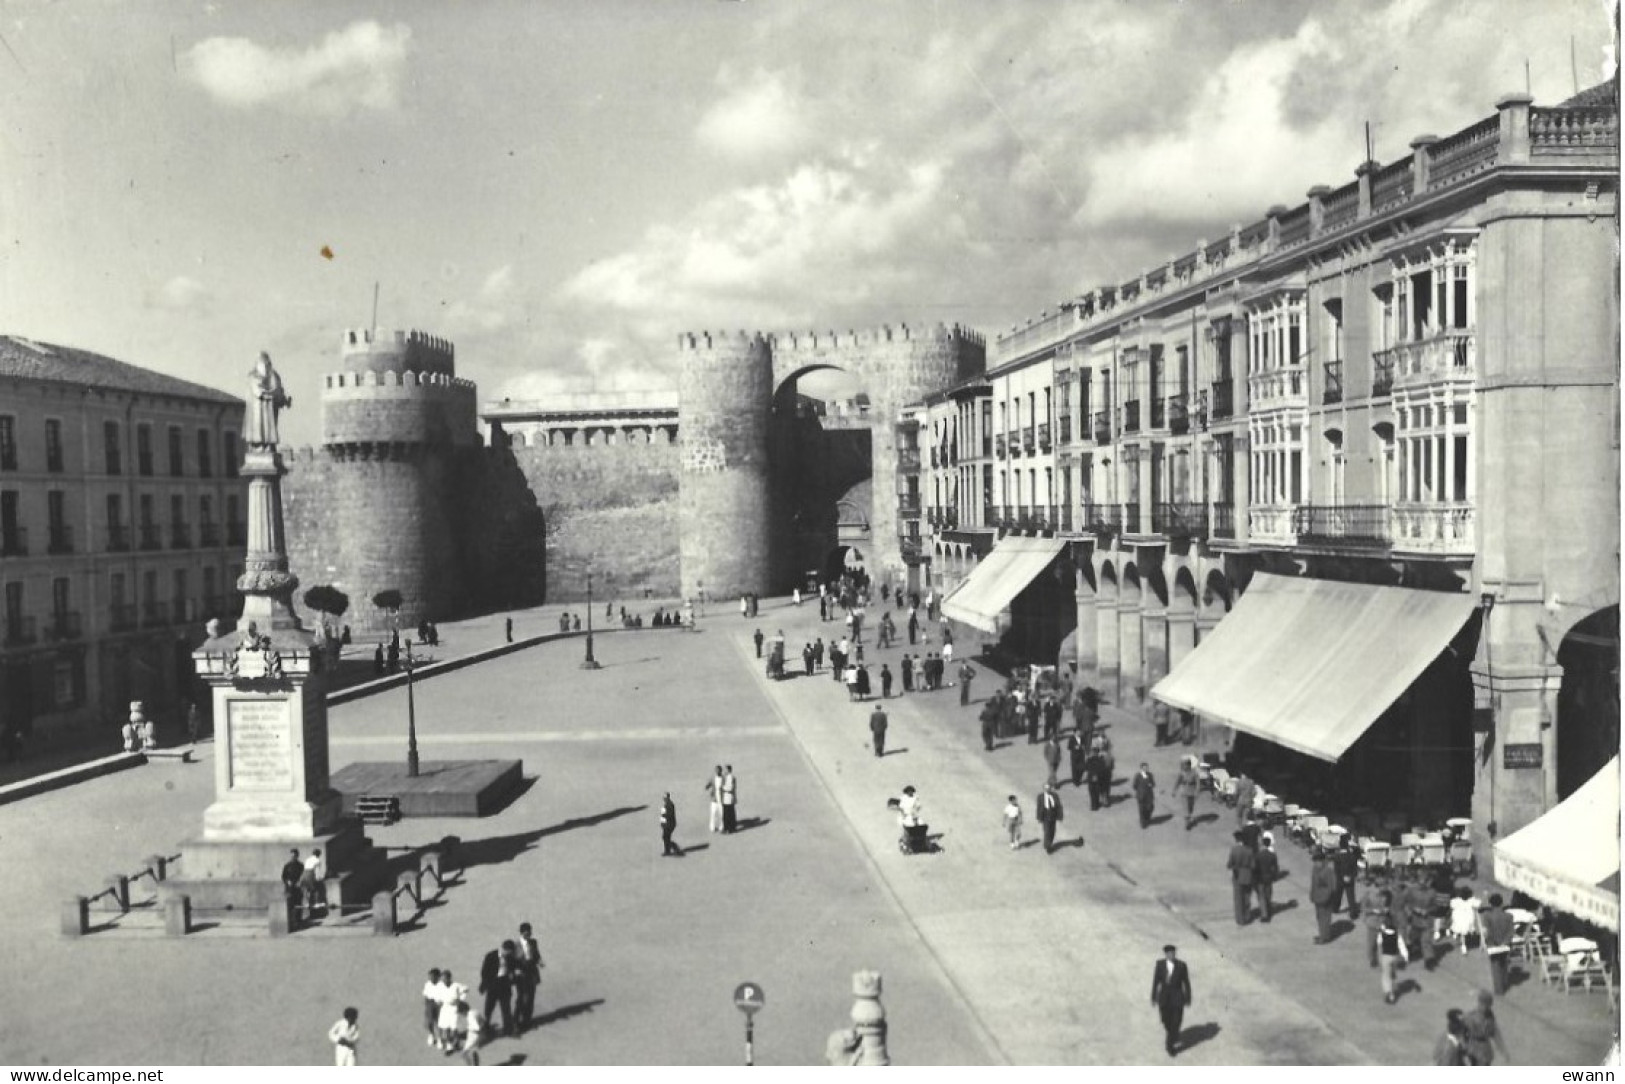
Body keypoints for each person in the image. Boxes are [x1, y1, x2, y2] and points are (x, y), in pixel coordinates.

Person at [1149, 945, 1192, 1057]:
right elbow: (1156, 981)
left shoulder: (1182, 965)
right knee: (1166, 1021)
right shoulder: (1160, 965)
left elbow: (1186, 983)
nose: (1171, 955)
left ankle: (1169, 1045)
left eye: (1173, 953)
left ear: (1175, 954)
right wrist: (1153, 997)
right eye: (1169, 953)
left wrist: (1188, 998)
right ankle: (1173, 1034)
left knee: (1176, 1021)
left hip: (1177, 998)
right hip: (1164, 998)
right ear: (1165, 954)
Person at [1479, 893, 1515, 995]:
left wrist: (1488, 942)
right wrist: (1505, 942)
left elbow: (1487, 932)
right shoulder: (1509, 916)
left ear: (1490, 904)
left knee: (1495, 966)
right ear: (1502, 903)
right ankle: (1504, 982)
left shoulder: (1487, 916)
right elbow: (1511, 931)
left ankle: (1499, 990)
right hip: (1505, 944)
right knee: (1504, 963)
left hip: (1493, 944)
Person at [1463, 989, 1510, 1065]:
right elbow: (1461, 1032)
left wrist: (1503, 1051)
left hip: (1485, 1051)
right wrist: (1464, 1046)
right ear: (1479, 1003)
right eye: (1483, 1005)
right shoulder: (1470, 1016)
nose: (1485, 1008)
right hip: (1473, 1049)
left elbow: (1495, 1034)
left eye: (1488, 1006)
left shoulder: (1490, 1016)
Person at [479, 940, 516, 1036]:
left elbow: (513, 966)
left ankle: (508, 1030)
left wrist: (515, 973)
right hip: (493, 985)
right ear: (505, 949)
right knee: (489, 1009)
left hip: (505, 984)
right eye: (509, 952)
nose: (510, 954)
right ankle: (486, 1029)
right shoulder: (491, 956)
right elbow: (484, 972)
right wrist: (487, 984)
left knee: (506, 1009)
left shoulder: (510, 957)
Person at [1377, 907, 1410, 1003]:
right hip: (1394, 956)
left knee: (1385, 975)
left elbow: (1379, 944)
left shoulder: (1382, 934)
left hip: (1385, 957)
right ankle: (1392, 988)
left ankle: (1388, 992)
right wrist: (1405, 956)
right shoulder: (1397, 935)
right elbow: (1402, 946)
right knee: (1392, 974)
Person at [515, 923, 543, 1030]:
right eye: (527, 933)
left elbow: (536, 955)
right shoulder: (515, 945)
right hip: (521, 974)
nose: (529, 935)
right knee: (522, 998)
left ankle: (527, 1021)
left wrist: (540, 961)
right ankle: (517, 1022)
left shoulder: (533, 942)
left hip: (532, 973)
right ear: (522, 933)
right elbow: (513, 961)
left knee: (531, 997)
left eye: (530, 932)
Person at [1227, 831, 1257, 925]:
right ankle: (1247, 916)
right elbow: (1253, 865)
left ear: (1236, 839)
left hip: (1237, 876)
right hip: (1247, 875)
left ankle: (1240, 919)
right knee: (1247, 897)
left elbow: (1229, 864)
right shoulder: (1249, 850)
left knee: (1238, 898)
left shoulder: (1234, 850)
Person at [1310, 849, 1339, 944]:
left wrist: (1329, 897)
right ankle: (1322, 934)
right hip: (1317, 898)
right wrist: (1312, 895)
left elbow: (1333, 886)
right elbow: (1313, 884)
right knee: (1319, 917)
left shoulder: (1329, 871)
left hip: (1326, 898)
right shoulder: (1315, 870)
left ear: (1323, 861)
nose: (1317, 863)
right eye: (1315, 861)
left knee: (1325, 918)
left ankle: (1324, 937)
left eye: (1319, 861)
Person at [1360, 885, 1393, 968]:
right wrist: (1373, 910)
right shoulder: (1368, 894)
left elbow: (1392, 906)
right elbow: (1363, 908)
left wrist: (1388, 909)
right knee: (1372, 943)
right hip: (1372, 921)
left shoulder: (1389, 894)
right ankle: (1373, 959)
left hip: (1384, 921)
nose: (1384, 888)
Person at [1333, 836, 1362, 918]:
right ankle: (1353, 913)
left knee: (1338, 894)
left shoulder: (1337, 856)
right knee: (1351, 896)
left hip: (1340, 879)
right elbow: (1355, 869)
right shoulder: (1352, 856)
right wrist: (1351, 876)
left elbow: (1336, 870)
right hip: (1350, 878)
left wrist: (1341, 877)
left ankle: (1335, 908)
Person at [1255, 833, 1280, 922]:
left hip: (1260, 878)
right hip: (1269, 877)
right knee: (1268, 894)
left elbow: (1255, 867)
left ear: (1262, 844)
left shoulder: (1258, 855)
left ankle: (1264, 915)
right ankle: (1268, 910)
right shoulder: (1272, 855)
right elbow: (1276, 867)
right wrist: (1275, 876)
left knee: (1261, 896)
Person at [1447, 886, 1480, 955]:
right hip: (1467, 920)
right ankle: (1463, 945)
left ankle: (1462, 943)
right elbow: (1478, 904)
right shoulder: (1471, 901)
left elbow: (1451, 905)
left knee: (1458, 926)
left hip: (1458, 919)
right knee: (1463, 931)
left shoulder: (1456, 900)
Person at [1035, 782, 1064, 854]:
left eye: (1049, 788)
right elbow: (1038, 807)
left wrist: (1060, 816)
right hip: (1045, 815)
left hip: (1053, 815)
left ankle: (1049, 843)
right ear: (1044, 789)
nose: (1047, 789)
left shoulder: (1055, 795)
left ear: (1050, 788)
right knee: (1047, 831)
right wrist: (1039, 817)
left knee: (1052, 831)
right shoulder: (1040, 796)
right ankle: (1048, 846)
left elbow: (1059, 806)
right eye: (1046, 788)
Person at [1172, 756, 1200, 830]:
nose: (1184, 766)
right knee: (1186, 808)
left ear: (1189, 765)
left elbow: (1198, 783)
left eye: (1185, 765)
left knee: (1190, 807)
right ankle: (1187, 823)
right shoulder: (1181, 773)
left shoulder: (1194, 773)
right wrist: (1174, 790)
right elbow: (1177, 782)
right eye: (1183, 765)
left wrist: (1197, 791)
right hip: (1184, 792)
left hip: (1192, 791)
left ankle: (1189, 818)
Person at [422, 968, 446, 1047]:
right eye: (430, 977)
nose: (430, 978)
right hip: (430, 1004)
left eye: (432, 977)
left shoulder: (442, 985)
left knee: (439, 1023)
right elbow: (425, 995)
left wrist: (441, 1004)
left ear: (437, 977)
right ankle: (431, 1035)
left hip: (439, 1005)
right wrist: (427, 1005)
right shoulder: (428, 984)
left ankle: (440, 1039)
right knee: (429, 1022)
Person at [300, 848, 325, 919]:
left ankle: (307, 903)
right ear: (318, 854)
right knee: (315, 889)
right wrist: (320, 878)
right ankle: (316, 903)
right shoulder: (317, 860)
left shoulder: (307, 859)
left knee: (307, 890)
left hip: (303, 875)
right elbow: (317, 872)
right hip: (310, 875)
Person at [280, 848, 304, 921]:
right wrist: (287, 881)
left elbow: (303, 876)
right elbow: (283, 876)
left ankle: (298, 920)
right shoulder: (287, 865)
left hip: (298, 888)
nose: (293, 857)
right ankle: (290, 921)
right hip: (289, 888)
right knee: (290, 905)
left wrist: (300, 882)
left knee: (298, 904)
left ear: (297, 856)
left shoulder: (301, 865)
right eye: (292, 856)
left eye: (295, 856)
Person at [1132, 762, 1156, 829]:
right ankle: (1143, 823)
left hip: (1149, 795)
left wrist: (1151, 785)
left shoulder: (1150, 775)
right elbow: (1134, 785)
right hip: (1141, 795)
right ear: (1141, 768)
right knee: (1141, 809)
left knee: (1150, 807)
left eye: (1147, 768)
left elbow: (1153, 784)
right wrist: (1139, 790)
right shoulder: (1138, 775)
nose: (1146, 769)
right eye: (1144, 768)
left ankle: (1147, 818)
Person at [706, 766, 725, 833]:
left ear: (721, 771)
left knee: (722, 814)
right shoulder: (713, 778)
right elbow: (708, 784)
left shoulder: (723, 778)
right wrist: (707, 787)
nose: (717, 772)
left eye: (719, 770)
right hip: (714, 798)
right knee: (713, 813)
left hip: (722, 799)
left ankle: (721, 827)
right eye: (716, 770)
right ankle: (712, 827)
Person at [721, 765, 738, 833]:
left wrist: (723, 788)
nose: (724, 771)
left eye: (725, 770)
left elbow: (730, 788)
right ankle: (730, 827)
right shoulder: (727, 777)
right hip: (726, 798)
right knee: (728, 813)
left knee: (728, 814)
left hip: (729, 797)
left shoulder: (731, 777)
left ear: (728, 770)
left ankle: (729, 828)